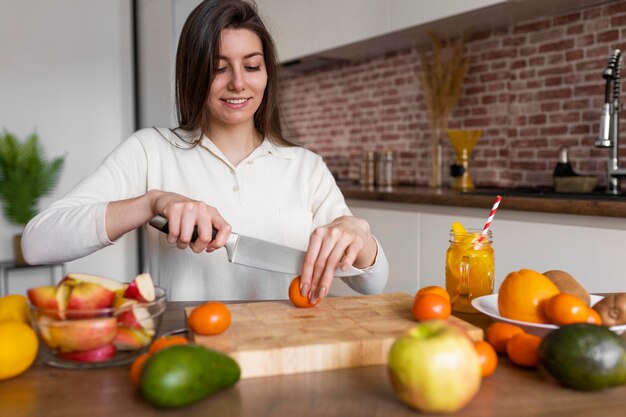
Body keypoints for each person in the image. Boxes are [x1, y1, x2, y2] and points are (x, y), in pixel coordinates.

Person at [22, 0, 388, 302]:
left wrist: (360, 235)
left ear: (266, 74)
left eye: (252, 66)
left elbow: (371, 282)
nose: (238, 83)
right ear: (194, 74)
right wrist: (152, 202)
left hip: (284, 353)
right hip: (186, 353)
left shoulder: (305, 168)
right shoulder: (151, 152)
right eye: (218, 68)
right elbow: (37, 244)